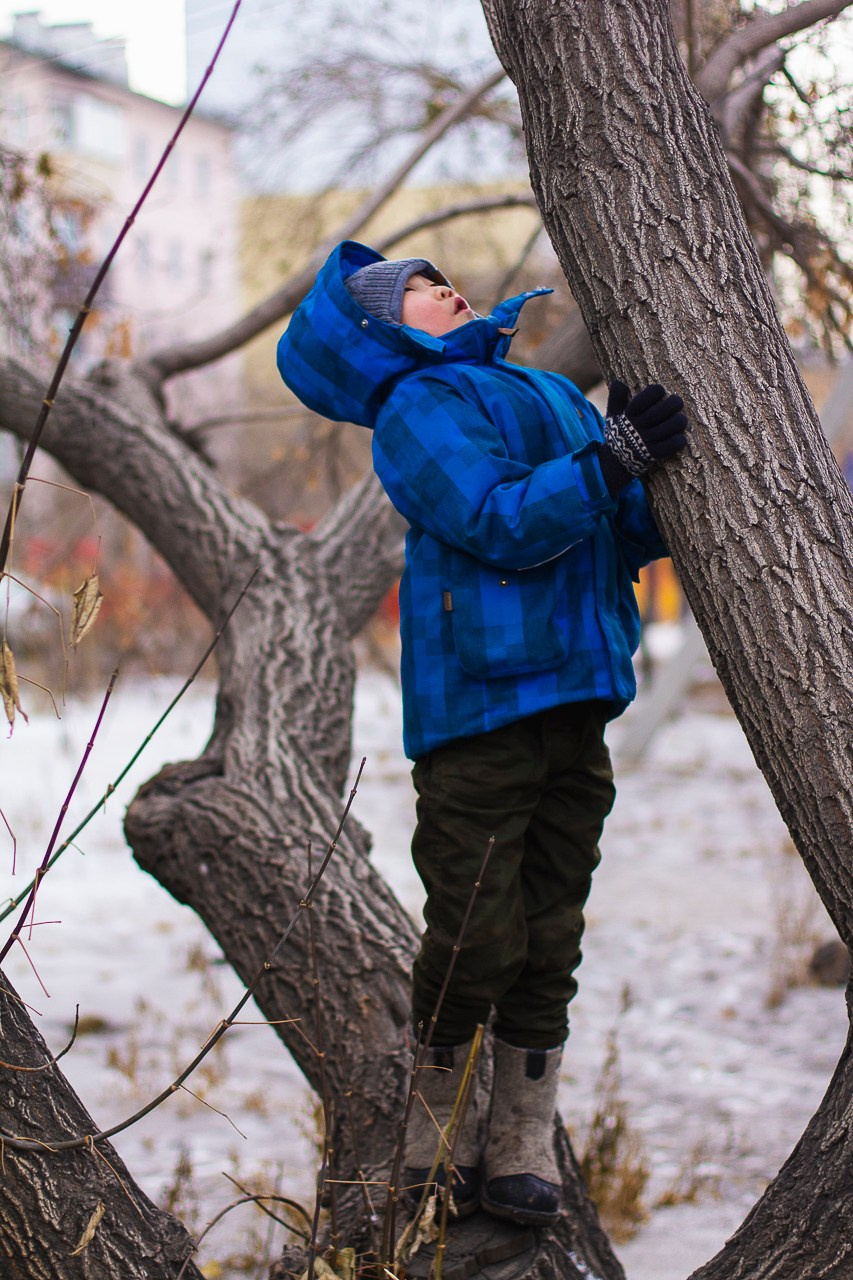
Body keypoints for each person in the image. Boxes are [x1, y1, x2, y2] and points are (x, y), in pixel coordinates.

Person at [277, 240, 688, 1227]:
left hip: (579, 695)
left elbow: (605, 529)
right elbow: (498, 519)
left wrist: (654, 497)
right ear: (376, 330)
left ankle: (519, 1134)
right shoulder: (415, 413)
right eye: (411, 292)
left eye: (434, 273)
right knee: (475, 931)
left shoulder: (545, 391)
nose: (439, 285)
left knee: (550, 930)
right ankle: (436, 1122)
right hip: (481, 714)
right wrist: (607, 461)